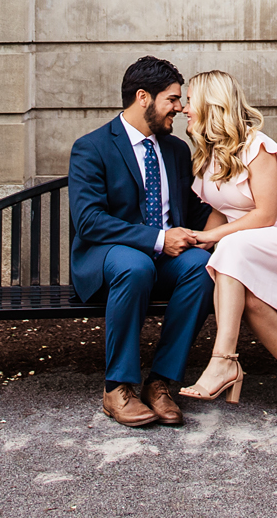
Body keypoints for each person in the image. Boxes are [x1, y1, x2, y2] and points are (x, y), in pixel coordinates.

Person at [67, 55, 213, 428]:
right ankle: (117, 388)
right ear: (143, 97)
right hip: (109, 258)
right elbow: (89, 221)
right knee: (135, 265)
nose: (180, 109)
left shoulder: (176, 150)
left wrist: (249, 217)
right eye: (173, 99)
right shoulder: (92, 147)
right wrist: (159, 239)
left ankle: (161, 382)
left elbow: (196, 214)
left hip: (162, 261)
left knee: (200, 267)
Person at [177, 70, 277, 421]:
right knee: (249, 300)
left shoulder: (256, 146)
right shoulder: (208, 155)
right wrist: (196, 245)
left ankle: (223, 362)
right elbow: (221, 211)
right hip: (250, 245)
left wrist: (211, 239)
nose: (185, 108)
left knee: (230, 248)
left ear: (210, 105)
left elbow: (265, 215)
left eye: (190, 101)